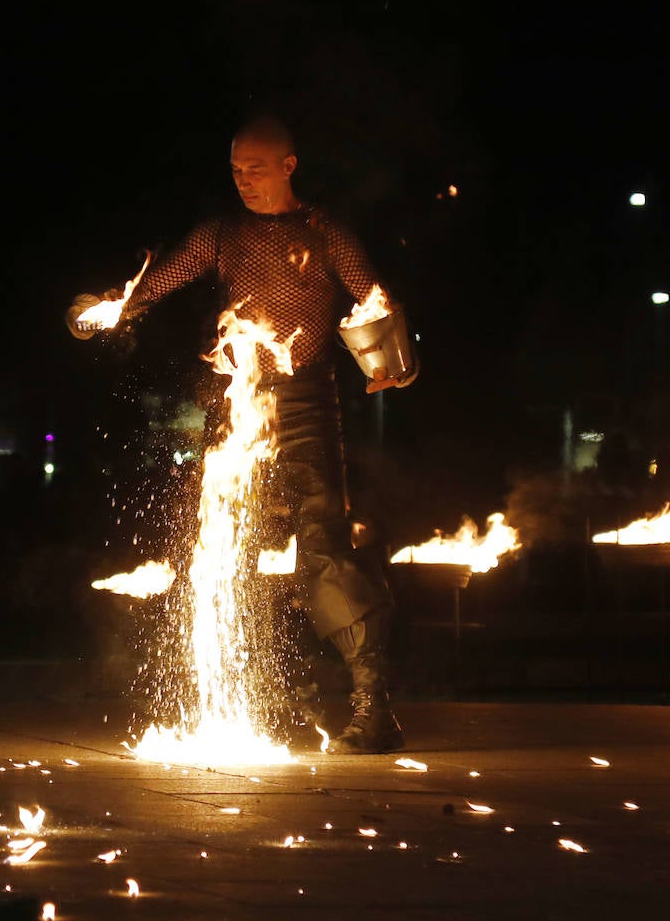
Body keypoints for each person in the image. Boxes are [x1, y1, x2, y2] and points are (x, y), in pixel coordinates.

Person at [66, 116, 416, 754]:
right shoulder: (221, 235)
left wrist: (392, 359)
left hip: (307, 403)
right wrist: (108, 307)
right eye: (234, 169)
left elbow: (375, 300)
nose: (243, 180)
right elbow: (157, 282)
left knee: (325, 554)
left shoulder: (325, 233)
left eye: (255, 168)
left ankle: (374, 706)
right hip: (236, 403)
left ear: (288, 165)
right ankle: (267, 700)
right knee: (229, 550)